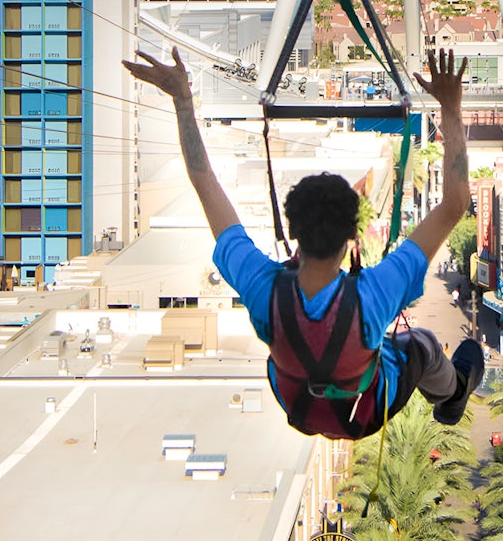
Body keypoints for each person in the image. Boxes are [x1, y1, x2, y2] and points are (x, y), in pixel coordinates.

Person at [123, 47, 483, 440]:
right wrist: (450, 105)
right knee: (424, 344)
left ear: (292, 232)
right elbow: (455, 204)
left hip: (299, 408)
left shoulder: (263, 288)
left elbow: (203, 179)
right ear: (351, 239)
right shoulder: (375, 294)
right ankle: (454, 394)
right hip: (361, 413)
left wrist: (182, 100)